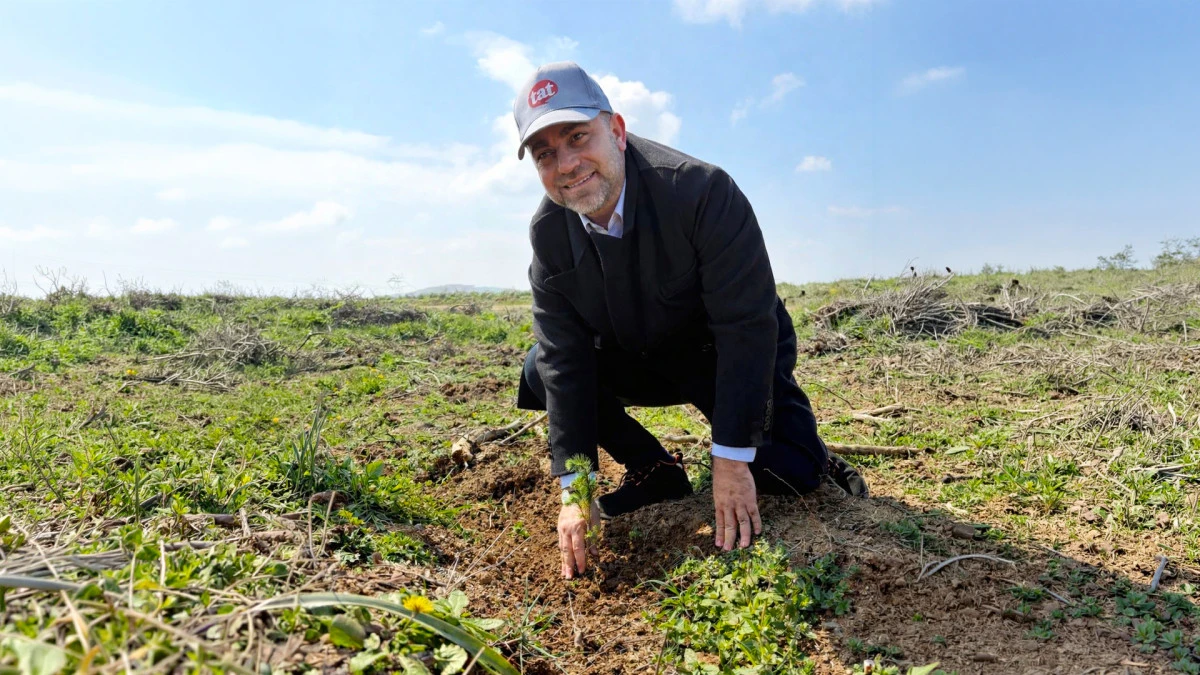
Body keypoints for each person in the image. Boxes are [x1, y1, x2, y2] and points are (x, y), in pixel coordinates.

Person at [511, 62, 867, 580]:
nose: (566, 164)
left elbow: (747, 326)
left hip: (720, 355)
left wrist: (729, 459)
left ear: (616, 130)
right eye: (545, 154)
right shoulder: (548, 234)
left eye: (578, 136)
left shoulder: (701, 192)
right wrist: (577, 487)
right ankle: (655, 470)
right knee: (539, 368)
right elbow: (565, 360)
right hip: (639, 355)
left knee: (786, 473)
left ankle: (810, 454)